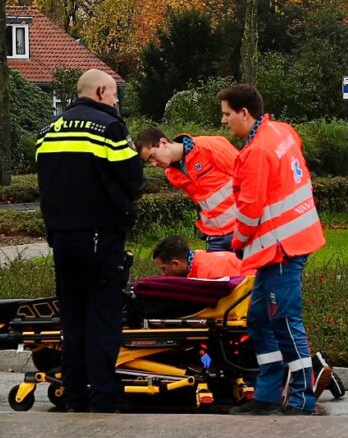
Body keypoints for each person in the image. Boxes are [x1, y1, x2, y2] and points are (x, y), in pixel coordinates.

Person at [34, 67, 143, 411]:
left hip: (61, 238)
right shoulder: (109, 128)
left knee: (72, 319)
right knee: (103, 318)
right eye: (113, 94)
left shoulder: (48, 130)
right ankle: (103, 397)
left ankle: (74, 396)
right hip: (100, 237)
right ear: (99, 92)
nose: (115, 101)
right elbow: (134, 179)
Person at [220, 82, 326, 414]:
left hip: (281, 249)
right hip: (293, 241)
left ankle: (301, 398)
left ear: (244, 113)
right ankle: (267, 395)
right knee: (259, 321)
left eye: (226, 114)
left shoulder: (256, 152)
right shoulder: (282, 131)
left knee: (283, 323)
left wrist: (236, 243)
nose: (223, 121)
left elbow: (250, 211)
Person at [136, 126, 243, 250]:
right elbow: (201, 201)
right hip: (215, 235)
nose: (154, 163)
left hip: (241, 227)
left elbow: (249, 176)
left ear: (163, 142)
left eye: (152, 156)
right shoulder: (171, 174)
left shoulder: (208, 145)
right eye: (149, 161)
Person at [150, 232, 243, 280]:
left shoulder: (205, 275)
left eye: (163, 269)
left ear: (176, 264)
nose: (163, 274)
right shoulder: (199, 257)